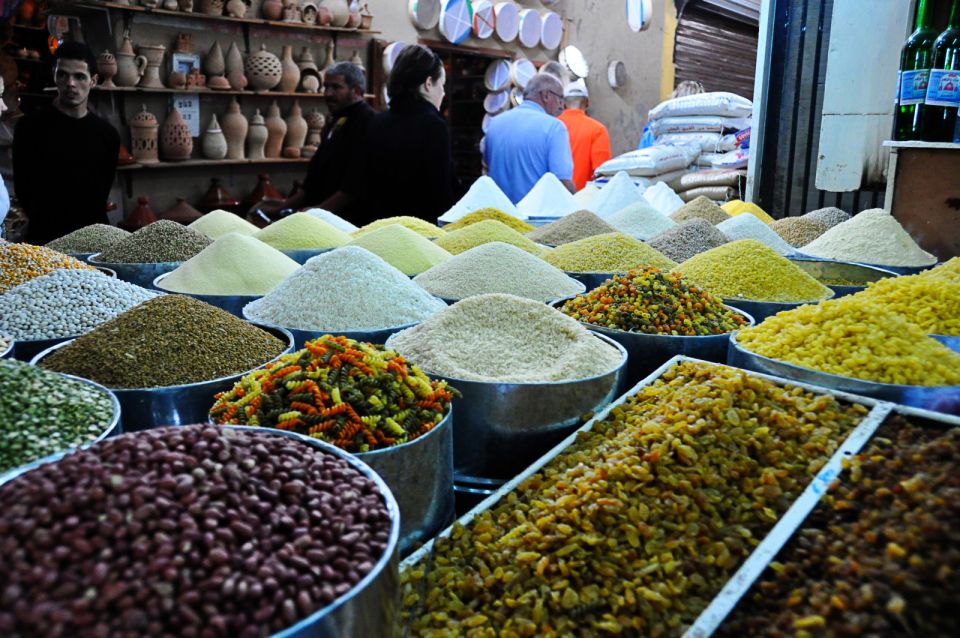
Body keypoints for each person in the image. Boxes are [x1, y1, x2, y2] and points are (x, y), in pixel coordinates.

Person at [13, 41, 119, 245]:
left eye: (79, 76)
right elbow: (24, 189)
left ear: (93, 81)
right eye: (63, 74)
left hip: (92, 241)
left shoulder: (107, 135)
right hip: (44, 239)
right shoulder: (29, 128)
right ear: (54, 76)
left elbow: (100, 193)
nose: (70, 83)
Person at [346, 44, 455, 224]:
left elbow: (359, 185)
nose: (443, 93)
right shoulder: (433, 126)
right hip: (417, 233)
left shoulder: (376, 122)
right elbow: (440, 193)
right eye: (441, 85)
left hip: (377, 229)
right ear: (428, 84)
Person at [263, 61, 374, 220]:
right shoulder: (335, 122)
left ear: (356, 91)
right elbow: (314, 181)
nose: (327, 93)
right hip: (321, 217)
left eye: (336, 87)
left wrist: (319, 211)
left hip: (348, 221)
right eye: (326, 86)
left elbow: (356, 185)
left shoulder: (368, 123)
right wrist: (280, 209)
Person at [483, 73, 574, 203]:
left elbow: (487, 165)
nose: (561, 105)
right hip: (535, 219)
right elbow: (563, 184)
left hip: (498, 215)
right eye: (560, 98)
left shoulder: (494, 124)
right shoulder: (554, 127)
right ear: (546, 95)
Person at [557, 79, 611, 191]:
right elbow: (602, 173)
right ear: (587, 103)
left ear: (563, 103)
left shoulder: (551, 127)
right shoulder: (597, 130)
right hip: (583, 201)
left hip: (553, 199)